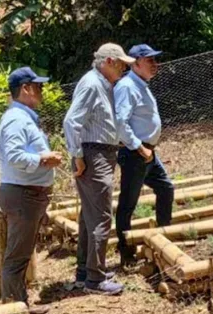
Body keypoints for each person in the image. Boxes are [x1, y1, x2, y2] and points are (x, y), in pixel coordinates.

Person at [63, 43, 135, 295]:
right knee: (102, 216)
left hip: (97, 152)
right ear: (108, 62)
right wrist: (78, 155)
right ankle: (95, 278)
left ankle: (87, 271)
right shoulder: (93, 84)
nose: (124, 68)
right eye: (121, 64)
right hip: (94, 154)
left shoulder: (101, 84)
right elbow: (71, 121)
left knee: (90, 216)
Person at [0, 67, 62, 306]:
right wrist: (44, 160)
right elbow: (15, 156)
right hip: (22, 194)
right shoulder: (16, 119)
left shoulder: (21, 118)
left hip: (25, 194)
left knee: (20, 255)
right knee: (16, 257)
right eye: (38, 86)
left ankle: (17, 303)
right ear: (25, 89)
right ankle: (14, 308)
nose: (42, 91)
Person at [114, 44, 174, 265]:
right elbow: (120, 123)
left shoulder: (141, 85)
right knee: (128, 203)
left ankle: (163, 237)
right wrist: (139, 147)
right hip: (135, 153)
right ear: (136, 62)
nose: (155, 65)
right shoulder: (127, 87)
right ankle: (126, 253)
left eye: (155, 60)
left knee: (166, 188)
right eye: (150, 60)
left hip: (147, 153)